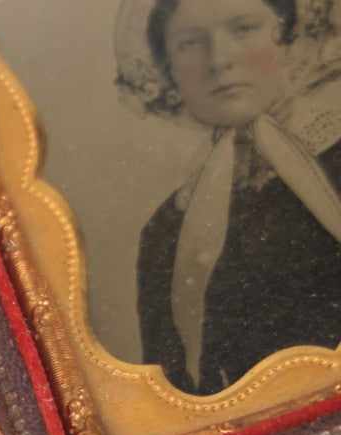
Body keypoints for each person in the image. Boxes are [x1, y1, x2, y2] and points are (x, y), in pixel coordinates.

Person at [126, 0, 341, 394]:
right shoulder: (167, 229)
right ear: (168, 71)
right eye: (190, 43)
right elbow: (179, 398)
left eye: (242, 29)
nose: (219, 60)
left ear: (290, 37)